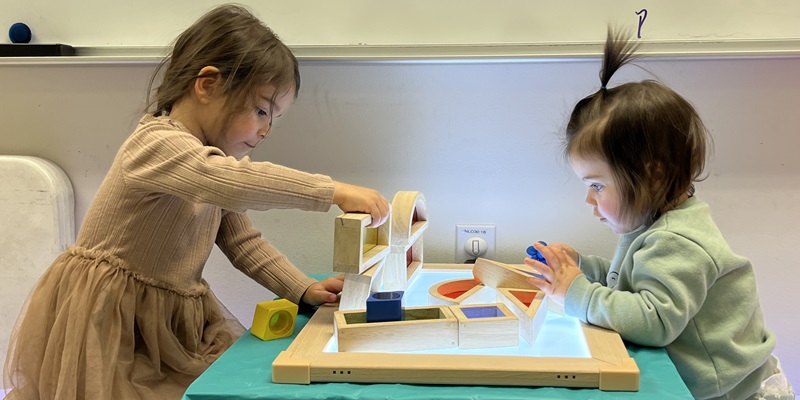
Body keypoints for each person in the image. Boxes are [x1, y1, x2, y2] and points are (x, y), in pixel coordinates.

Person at [3, 4, 389, 399]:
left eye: (272, 118)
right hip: (112, 319)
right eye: (260, 111)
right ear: (208, 85)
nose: (265, 130)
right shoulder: (157, 145)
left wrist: (303, 288)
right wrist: (331, 191)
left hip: (170, 321)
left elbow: (244, 244)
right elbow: (228, 181)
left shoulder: (215, 164)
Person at [525, 28, 794, 400]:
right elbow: (633, 283)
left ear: (652, 175)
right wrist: (583, 267)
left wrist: (577, 292)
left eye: (598, 185)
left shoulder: (677, 241)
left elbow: (653, 320)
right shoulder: (656, 227)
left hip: (732, 394)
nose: (589, 199)